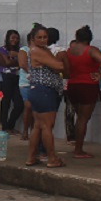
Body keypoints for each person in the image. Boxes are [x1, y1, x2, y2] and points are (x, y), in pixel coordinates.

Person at [26, 25, 68, 168]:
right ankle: (51, 158)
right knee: (46, 126)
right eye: (39, 37)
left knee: (38, 125)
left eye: (45, 37)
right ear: (33, 39)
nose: (43, 40)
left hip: (37, 90)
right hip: (44, 90)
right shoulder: (38, 51)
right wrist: (57, 61)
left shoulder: (41, 50)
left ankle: (32, 157)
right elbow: (59, 66)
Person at [66, 25, 101, 158]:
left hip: (72, 85)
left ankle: (77, 146)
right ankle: (78, 149)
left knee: (80, 118)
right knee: (83, 119)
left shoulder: (70, 50)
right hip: (87, 85)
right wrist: (99, 72)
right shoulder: (91, 50)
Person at [0, 30, 23, 134]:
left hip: (17, 77)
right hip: (5, 77)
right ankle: (4, 126)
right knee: (5, 103)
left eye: (17, 38)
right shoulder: (2, 50)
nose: (15, 40)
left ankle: (10, 125)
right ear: (7, 38)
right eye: (13, 38)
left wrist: (17, 56)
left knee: (19, 104)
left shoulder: (20, 51)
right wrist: (19, 60)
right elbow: (7, 63)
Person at [17, 30, 35, 141]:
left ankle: (33, 130)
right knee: (28, 106)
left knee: (34, 108)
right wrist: (33, 74)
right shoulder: (24, 50)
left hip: (36, 82)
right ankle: (25, 131)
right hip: (25, 82)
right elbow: (22, 64)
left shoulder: (40, 51)